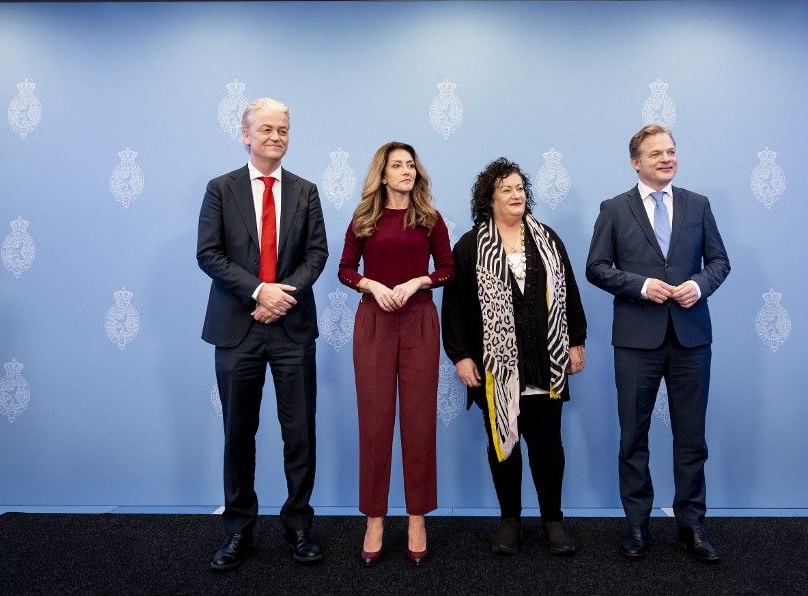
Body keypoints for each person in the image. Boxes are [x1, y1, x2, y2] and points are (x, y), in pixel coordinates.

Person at [585, 124, 730, 563]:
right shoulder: (614, 208)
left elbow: (720, 261)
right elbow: (596, 267)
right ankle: (636, 524)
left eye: (671, 151)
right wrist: (641, 285)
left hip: (691, 340)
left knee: (692, 438)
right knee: (633, 437)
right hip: (635, 341)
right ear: (635, 161)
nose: (666, 159)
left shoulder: (697, 205)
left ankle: (691, 525)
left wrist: (700, 286)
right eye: (656, 154)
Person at [197, 97, 328, 570]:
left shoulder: (306, 191)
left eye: (284, 131)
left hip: (291, 329)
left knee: (300, 434)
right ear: (245, 133)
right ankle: (238, 531)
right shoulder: (220, 189)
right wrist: (258, 293)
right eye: (267, 129)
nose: (277, 138)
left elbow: (316, 255)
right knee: (239, 433)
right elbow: (209, 254)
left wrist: (281, 296)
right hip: (237, 330)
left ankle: (298, 528)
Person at [442, 158, 586, 556]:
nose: (516, 195)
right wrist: (460, 356)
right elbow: (454, 308)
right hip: (495, 369)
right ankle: (509, 521)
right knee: (502, 446)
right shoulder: (469, 246)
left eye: (520, 188)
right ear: (489, 198)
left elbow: (569, 290)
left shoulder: (548, 238)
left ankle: (553, 520)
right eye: (506, 189)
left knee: (547, 446)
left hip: (546, 361)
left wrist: (576, 340)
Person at [338, 142, 453, 566]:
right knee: (375, 420)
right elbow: (345, 269)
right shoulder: (364, 218)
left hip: (420, 321)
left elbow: (448, 267)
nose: (407, 171)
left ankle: (417, 516)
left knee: (419, 420)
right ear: (382, 175)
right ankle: (374, 518)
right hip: (374, 323)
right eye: (397, 165)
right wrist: (373, 286)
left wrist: (418, 282)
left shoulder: (429, 218)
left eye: (411, 165)